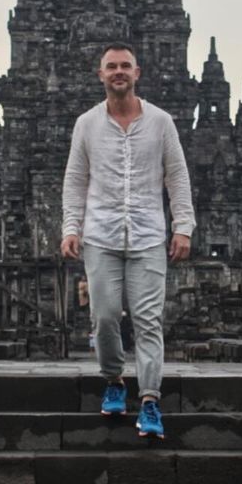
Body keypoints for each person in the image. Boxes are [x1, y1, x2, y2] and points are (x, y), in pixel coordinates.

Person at [60, 43, 194, 439]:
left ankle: (150, 400)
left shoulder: (161, 122)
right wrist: (71, 227)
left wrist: (182, 226)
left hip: (149, 235)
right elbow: (75, 180)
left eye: (125, 66)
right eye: (111, 66)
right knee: (104, 316)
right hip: (100, 235)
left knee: (149, 320)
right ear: (100, 74)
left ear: (138, 73)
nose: (118, 72)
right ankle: (114, 379)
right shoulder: (86, 124)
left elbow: (177, 175)